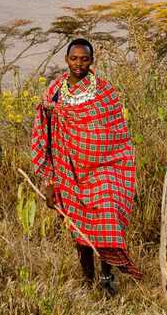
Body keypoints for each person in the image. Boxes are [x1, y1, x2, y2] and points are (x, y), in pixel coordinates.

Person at [30, 38, 141, 296]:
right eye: (74, 58)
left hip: (104, 168)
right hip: (69, 172)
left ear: (92, 60)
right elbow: (45, 137)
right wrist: (49, 181)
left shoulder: (104, 92)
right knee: (79, 228)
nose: (79, 64)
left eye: (84, 59)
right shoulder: (55, 92)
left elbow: (118, 134)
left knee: (107, 220)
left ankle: (106, 276)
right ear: (66, 60)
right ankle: (88, 277)